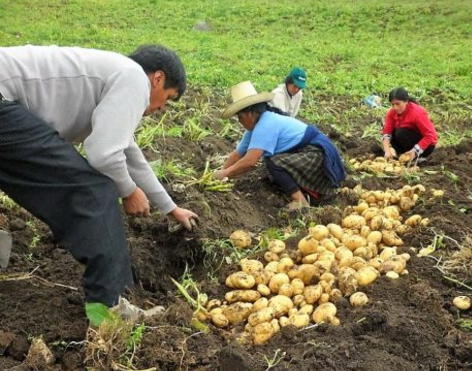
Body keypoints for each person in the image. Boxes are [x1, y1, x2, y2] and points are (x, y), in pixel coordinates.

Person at [0, 44, 198, 325]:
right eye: (167, 98)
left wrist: (171, 208)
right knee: (96, 191)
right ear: (157, 79)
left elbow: (130, 154)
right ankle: (110, 311)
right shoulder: (132, 78)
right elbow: (104, 154)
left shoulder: (113, 72)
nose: (161, 108)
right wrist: (128, 191)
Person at [218, 81, 345, 209]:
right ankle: (304, 193)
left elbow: (250, 161)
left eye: (240, 117)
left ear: (250, 114)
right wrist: (221, 172)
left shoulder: (266, 124)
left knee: (273, 162)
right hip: (305, 151)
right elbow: (238, 153)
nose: (240, 122)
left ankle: (301, 201)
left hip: (317, 155)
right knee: (273, 166)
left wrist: (226, 173)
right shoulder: (255, 127)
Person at [382, 87, 438, 162]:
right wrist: (387, 151)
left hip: (425, 146)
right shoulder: (392, 112)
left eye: (398, 104)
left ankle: (417, 156)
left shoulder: (417, 113)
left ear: (406, 101)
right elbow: (387, 133)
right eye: (393, 104)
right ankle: (400, 154)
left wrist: (415, 151)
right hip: (406, 142)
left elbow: (431, 135)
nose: (395, 107)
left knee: (401, 132)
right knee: (392, 132)